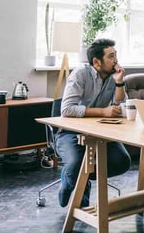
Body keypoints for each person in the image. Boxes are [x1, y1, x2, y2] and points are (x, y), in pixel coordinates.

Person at [55, 38, 132, 208]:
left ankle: (81, 178)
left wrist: (119, 82)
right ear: (97, 62)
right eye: (111, 56)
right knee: (76, 163)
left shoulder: (113, 76)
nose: (116, 60)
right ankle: (70, 177)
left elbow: (119, 104)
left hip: (101, 131)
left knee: (122, 162)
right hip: (71, 132)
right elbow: (67, 110)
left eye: (116, 55)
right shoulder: (80, 74)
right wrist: (103, 111)